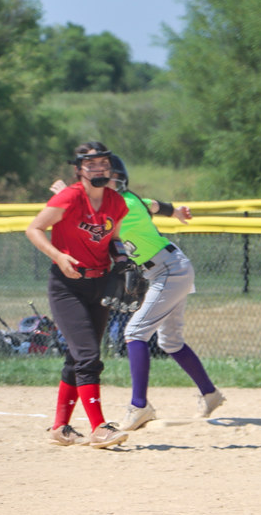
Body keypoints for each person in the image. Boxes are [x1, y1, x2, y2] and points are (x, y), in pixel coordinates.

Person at [90, 155, 225, 430]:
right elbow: (153, 204)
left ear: (119, 180)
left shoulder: (122, 204)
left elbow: (102, 232)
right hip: (170, 268)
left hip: (169, 270)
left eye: (111, 177)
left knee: (135, 332)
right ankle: (210, 394)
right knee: (170, 342)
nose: (107, 182)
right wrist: (174, 210)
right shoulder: (130, 200)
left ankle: (139, 406)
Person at [26, 142, 130, 449]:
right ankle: (99, 427)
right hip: (67, 285)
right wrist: (57, 255)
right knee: (88, 356)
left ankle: (60, 427)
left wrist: (122, 260)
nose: (99, 169)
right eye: (91, 164)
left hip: (99, 284)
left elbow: (114, 239)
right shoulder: (70, 197)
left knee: (77, 356)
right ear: (78, 169)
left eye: (103, 163)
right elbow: (34, 229)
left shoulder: (115, 202)